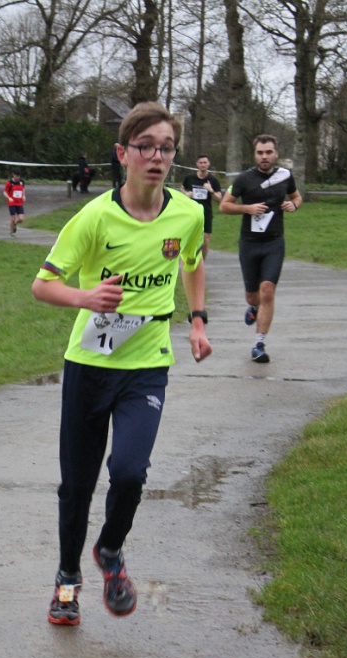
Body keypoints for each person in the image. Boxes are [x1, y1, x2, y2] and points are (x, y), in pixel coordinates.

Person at [32, 101, 212, 627]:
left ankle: (110, 550)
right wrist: (86, 298)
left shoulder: (188, 214)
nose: (157, 157)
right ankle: (67, 581)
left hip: (147, 364)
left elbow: (193, 262)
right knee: (77, 485)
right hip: (89, 365)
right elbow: (42, 285)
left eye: (166, 148)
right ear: (123, 153)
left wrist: (197, 319)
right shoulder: (94, 217)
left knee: (130, 473)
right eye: (145, 147)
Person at [219, 134, 303, 363]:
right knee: (252, 296)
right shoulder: (244, 179)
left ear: (276, 154)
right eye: (260, 153)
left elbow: (296, 196)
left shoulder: (285, 175)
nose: (264, 157)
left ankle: (259, 344)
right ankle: (253, 307)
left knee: (267, 290)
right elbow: (224, 206)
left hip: (274, 242)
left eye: (268, 152)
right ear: (255, 155)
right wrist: (247, 209)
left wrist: (294, 204)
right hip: (249, 243)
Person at [181, 155, 223, 259]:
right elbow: (182, 188)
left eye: (205, 162)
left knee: (205, 241)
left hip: (206, 213)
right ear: (197, 164)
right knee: (189, 239)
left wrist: (211, 190)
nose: (203, 165)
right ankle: (188, 261)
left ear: (208, 164)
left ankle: (202, 264)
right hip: (191, 213)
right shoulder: (190, 178)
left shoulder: (213, 180)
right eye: (200, 162)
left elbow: (219, 199)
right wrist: (186, 194)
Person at [3, 170, 25, 237]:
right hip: (12, 203)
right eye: (16, 176)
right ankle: (12, 232)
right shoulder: (9, 183)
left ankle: (15, 224)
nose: (17, 178)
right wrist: (9, 198)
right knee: (13, 218)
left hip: (19, 203)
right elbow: (5, 192)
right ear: (13, 175)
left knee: (21, 219)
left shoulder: (21, 182)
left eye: (18, 176)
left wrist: (23, 195)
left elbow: (23, 189)